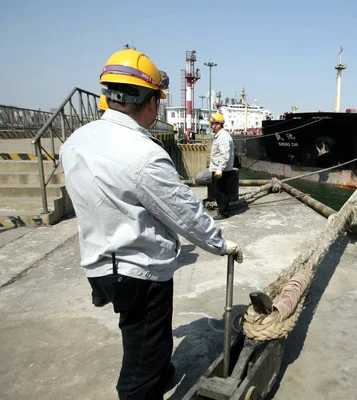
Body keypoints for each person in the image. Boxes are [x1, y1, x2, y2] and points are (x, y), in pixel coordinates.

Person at [59, 48, 243, 400]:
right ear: (150, 102)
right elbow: (185, 212)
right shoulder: (143, 154)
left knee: (145, 340)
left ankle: (161, 370)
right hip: (139, 273)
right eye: (157, 98)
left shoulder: (76, 141)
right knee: (140, 366)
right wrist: (221, 244)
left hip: (100, 264)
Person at [207, 113, 235, 220]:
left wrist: (219, 169)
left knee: (221, 192)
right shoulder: (220, 136)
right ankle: (223, 210)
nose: (211, 126)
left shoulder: (223, 137)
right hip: (219, 168)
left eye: (213, 124)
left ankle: (223, 213)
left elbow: (225, 155)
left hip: (221, 170)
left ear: (219, 125)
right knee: (219, 191)